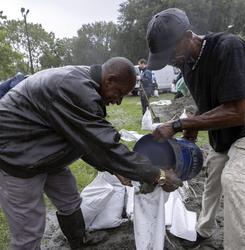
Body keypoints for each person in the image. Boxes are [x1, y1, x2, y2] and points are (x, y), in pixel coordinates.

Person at [0, 57, 182, 250]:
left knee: (69, 198)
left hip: (42, 149)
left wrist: (114, 169)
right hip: (17, 157)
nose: (118, 101)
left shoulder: (86, 84)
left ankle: (78, 243)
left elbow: (83, 139)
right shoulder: (74, 88)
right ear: (109, 79)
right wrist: (158, 175)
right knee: (29, 230)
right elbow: (104, 145)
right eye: (119, 93)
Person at [146, 8, 245, 250]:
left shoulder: (228, 47)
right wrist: (191, 131)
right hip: (226, 137)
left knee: (234, 179)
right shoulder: (188, 66)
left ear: (189, 36)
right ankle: (203, 230)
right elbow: (209, 107)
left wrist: (179, 124)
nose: (171, 61)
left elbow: (236, 112)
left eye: (172, 53)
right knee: (213, 178)